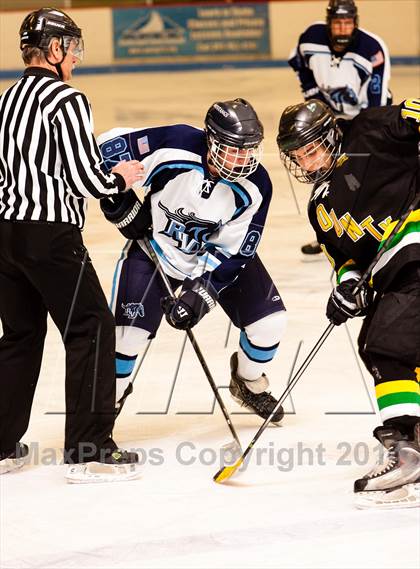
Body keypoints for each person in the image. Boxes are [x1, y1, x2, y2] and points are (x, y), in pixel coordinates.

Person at [0, 8, 145, 482]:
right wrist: (119, 178)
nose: (77, 58)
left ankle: (1, 445)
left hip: (4, 234)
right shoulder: (65, 99)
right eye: (73, 48)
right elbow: (86, 177)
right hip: (51, 235)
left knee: (20, 336)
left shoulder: (7, 99)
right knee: (91, 327)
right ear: (56, 49)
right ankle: (90, 448)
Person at [98, 98, 287, 424]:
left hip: (211, 260)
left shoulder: (257, 185)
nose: (245, 159)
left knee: (269, 324)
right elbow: (103, 152)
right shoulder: (175, 144)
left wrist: (201, 295)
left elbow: (237, 251)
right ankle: (104, 409)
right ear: (211, 141)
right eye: (235, 149)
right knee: (126, 336)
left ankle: (248, 382)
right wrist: (120, 203)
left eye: (250, 149)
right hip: (155, 250)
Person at [277, 97, 420, 508]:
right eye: (297, 156)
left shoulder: (371, 128)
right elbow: (347, 262)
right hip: (396, 273)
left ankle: (407, 449)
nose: (306, 163)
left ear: (330, 134)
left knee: (387, 342)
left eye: (311, 149)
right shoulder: (320, 206)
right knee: (378, 344)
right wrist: (347, 287)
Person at [288, 0, 392, 256]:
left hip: (366, 120)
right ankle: (329, 232)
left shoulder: (372, 49)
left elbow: (376, 104)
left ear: (355, 23)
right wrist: (314, 98)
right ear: (329, 23)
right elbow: (297, 61)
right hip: (329, 119)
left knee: (364, 177)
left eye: (347, 23)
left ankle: (374, 232)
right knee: (325, 177)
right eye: (337, 23)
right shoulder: (311, 37)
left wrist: (359, 132)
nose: (342, 29)